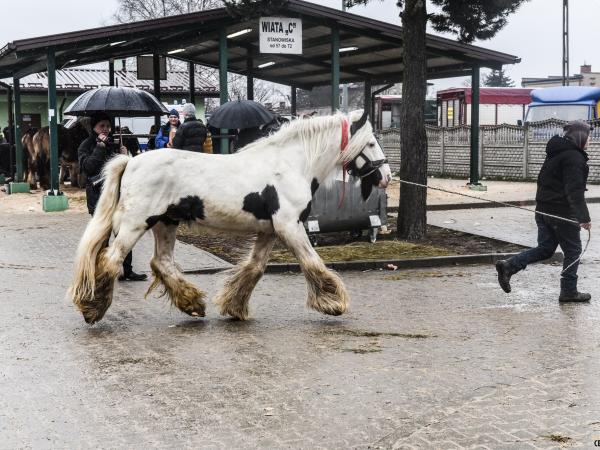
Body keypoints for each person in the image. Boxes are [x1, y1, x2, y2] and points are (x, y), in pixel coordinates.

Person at [495, 120, 592, 302]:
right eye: (588, 137)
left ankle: (509, 266)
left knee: (546, 249)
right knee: (573, 251)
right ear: (580, 136)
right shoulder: (574, 158)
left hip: (543, 210)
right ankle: (569, 291)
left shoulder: (555, 154)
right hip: (561, 213)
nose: (590, 141)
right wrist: (583, 217)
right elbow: (574, 190)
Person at [78, 112, 147, 282]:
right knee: (102, 237)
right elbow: (88, 168)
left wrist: (125, 155)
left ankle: (126, 270)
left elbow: (127, 171)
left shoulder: (116, 143)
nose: (106, 129)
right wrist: (99, 148)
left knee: (123, 234)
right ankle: (102, 271)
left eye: (108, 126)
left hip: (118, 196)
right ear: (94, 127)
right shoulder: (86, 145)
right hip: (98, 199)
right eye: (102, 126)